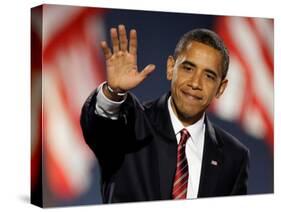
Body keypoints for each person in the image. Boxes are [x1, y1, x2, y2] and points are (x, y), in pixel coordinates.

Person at [80, 25, 250, 203]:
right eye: (188, 68)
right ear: (171, 68)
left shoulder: (234, 157)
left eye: (208, 76)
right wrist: (113, 92)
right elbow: (98, 127)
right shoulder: (130, 123)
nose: (195, 83)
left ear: (221, 88)